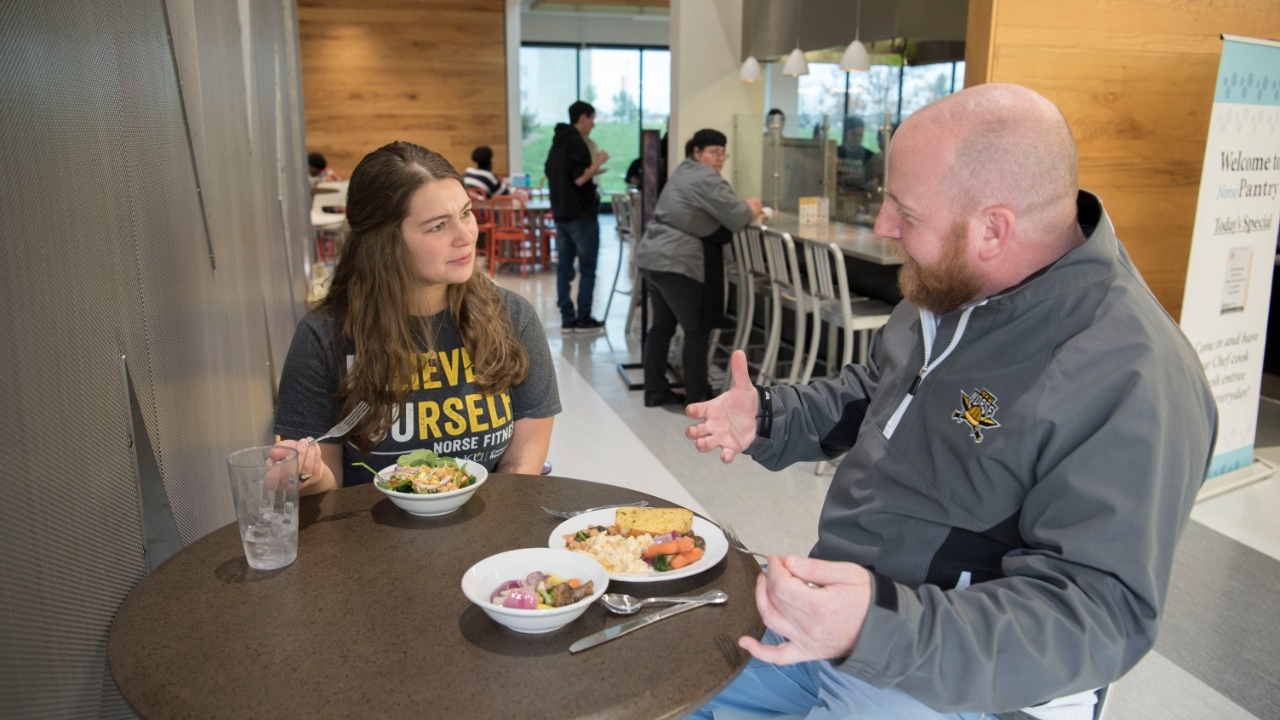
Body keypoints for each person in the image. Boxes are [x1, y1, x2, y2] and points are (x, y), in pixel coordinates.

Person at [683, 84, 1217, 719]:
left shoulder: (1130, 374)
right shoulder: (949, 288)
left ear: (993, 229)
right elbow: (874, 391)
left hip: (954, 678)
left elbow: (1095, 615)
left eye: (905, 213)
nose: (883, 227)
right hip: (849, 618)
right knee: (668, 687)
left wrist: (876, 630)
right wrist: (771, 416)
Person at [275, 141, 561, 494]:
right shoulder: (324, 337)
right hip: (371, 538)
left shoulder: (513, 317)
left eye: (466, 213)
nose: (466, 236)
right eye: (438, 226)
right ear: (385, 244)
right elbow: (328, 481)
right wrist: (307, 473)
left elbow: (523, 457)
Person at [634, 129, 762, 407]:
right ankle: (699, 396)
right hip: (676, 260)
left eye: (722, 153)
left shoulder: (684, 171)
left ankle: (655, 390)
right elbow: (738, 217)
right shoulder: (705, 177)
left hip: (653, 255)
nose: (719, 159)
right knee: (696, 330)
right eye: (713, 152)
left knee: (663, 326)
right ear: (696, 152)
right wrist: (752, 208)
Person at [545, 100, 609, 335]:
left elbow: (553, 173)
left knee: (564, 267)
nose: (593, 124)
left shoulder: (557, 143)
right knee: (588, 268)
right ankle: (583, 318)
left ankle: (567, 318)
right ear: (583, 117)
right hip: (581, 215)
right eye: (592, 119)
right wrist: (598, 163)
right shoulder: (577, 143)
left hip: (561, 214)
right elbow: (580, 179)